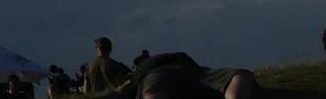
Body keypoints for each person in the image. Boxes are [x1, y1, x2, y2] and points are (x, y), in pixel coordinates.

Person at [98, 54, 254, 99]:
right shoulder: (140, 75)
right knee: (237, 76)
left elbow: (119, 92)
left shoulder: (140, 74)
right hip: (191, 71)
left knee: (237, 76)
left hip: (190, 72)